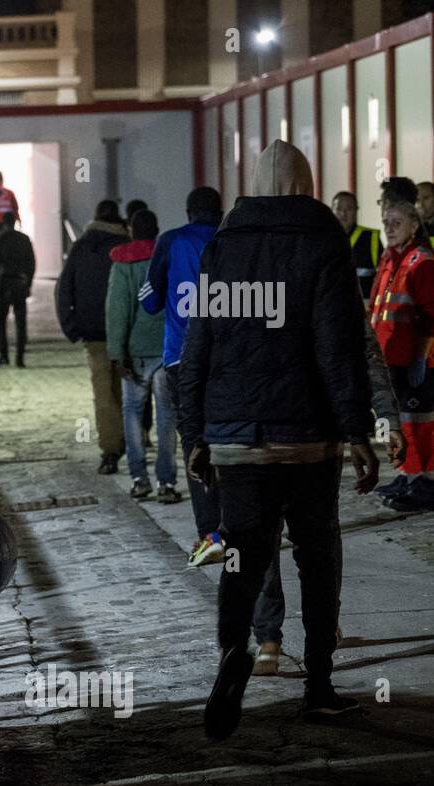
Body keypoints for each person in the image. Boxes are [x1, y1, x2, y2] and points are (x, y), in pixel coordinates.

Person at [178, 141, 379, 739]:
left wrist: (194, 434)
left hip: (236, 439)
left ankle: (232, 653)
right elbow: (337, 347)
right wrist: (358, 430)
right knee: (318, 559)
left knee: (240, 554)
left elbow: (198, 349)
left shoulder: (222, 248)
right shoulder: (324, 243)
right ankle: (319, 686)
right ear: (305, 185)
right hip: (308, 441)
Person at [142, 186, 227, 563]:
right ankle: (239, 524)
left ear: (189, 211)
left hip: (182, 359)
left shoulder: (172, 241)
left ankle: (210, 533)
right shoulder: (232, 240)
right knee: (231, 440)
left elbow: (149, 300)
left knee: (194, 443)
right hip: (228, 360)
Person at [105, 209, 179, 502]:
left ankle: (139, 478)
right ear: (158, 229)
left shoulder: (123, 263)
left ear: (131, 231)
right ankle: (167, 483)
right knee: (166, 415)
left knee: (133, 413)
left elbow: (118, 311)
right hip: (166, 349)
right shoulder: (169, 257)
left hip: (135, 352)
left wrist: (116, 352)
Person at [370, 200, 434, 511]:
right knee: (398, 422)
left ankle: (424, 481)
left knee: (417, 422)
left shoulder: (421, 261)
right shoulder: (391, 258)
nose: (389, 227)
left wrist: (421, 355)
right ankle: (407, 474)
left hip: (412, 358)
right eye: (386, 221)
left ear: (413, 225)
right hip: (389, 357)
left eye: (396, 222)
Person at [57, 199, 129, 473]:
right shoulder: (125, 247)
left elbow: (64, 289)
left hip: (92, 333)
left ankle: (110, 451)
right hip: (124, 332)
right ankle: (131, 442)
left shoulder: (81, 247)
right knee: (126, 391)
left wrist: (71, 327)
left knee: (103, 393)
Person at [0, 211, 34, 367]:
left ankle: (3, 355)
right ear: (15, 222)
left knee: (0, 321)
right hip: (20, 282)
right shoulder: (24, 239)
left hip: (3, 283)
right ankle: (20, 358)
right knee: (21, 321)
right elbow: (31, 263)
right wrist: (28, 283)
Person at [332, 190, 382, 306]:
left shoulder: (371, 238)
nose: (343, 213)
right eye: (339, 208)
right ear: (332, 211)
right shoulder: (323, 240)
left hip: (364, 315)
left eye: (349, 208)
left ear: (356, 210)